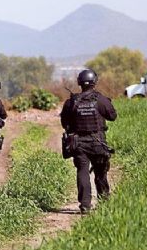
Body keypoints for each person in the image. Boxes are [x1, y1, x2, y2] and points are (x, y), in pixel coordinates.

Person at [60, 69, 117, 214]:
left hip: (79, 143)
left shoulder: (71, 102)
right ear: (94, 82)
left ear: (79, 83)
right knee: (100, 172)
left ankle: (85, 205)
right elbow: (112, 116)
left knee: (82, 172)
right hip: (98, 142)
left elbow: (64, 123)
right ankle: (104, 202)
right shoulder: (100, 99)